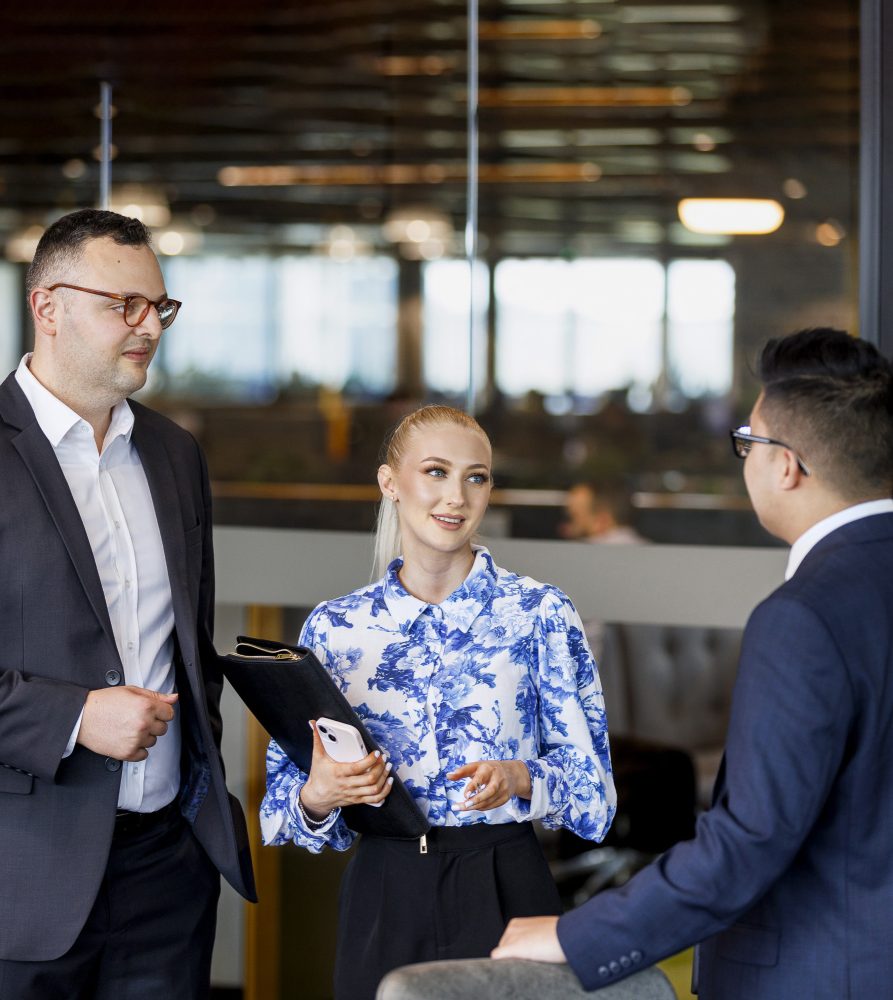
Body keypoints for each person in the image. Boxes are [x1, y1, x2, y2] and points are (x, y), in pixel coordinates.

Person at [484, 327, 893, 998]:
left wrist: (575, 934)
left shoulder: (802, 617)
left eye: (747, 442)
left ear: (785, 464)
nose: (744, 460)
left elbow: (748, 843)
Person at [261, 404, 616, 1000]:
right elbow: (282, 811)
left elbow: (596, 799)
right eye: (435, 472)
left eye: (475, 477)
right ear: (389, 483)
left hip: (506, 882)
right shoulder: (335, 629)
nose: (456, 495)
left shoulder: (540, 614)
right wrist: (322, 795)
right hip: (383, 888)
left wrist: (521, 776)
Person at [0, 209, 255, 999]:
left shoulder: (175, 456)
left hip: (167, 874)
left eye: (160, 308)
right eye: (124, 306)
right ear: (48, 306)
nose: (148, 327)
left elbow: (190, 646)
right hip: (23, 877)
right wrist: (77, 719)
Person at [559, 482, 644, 545]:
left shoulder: (584, 554)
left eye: (574, 516)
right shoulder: (648, 550)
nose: (566, 525)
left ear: (602, 520)